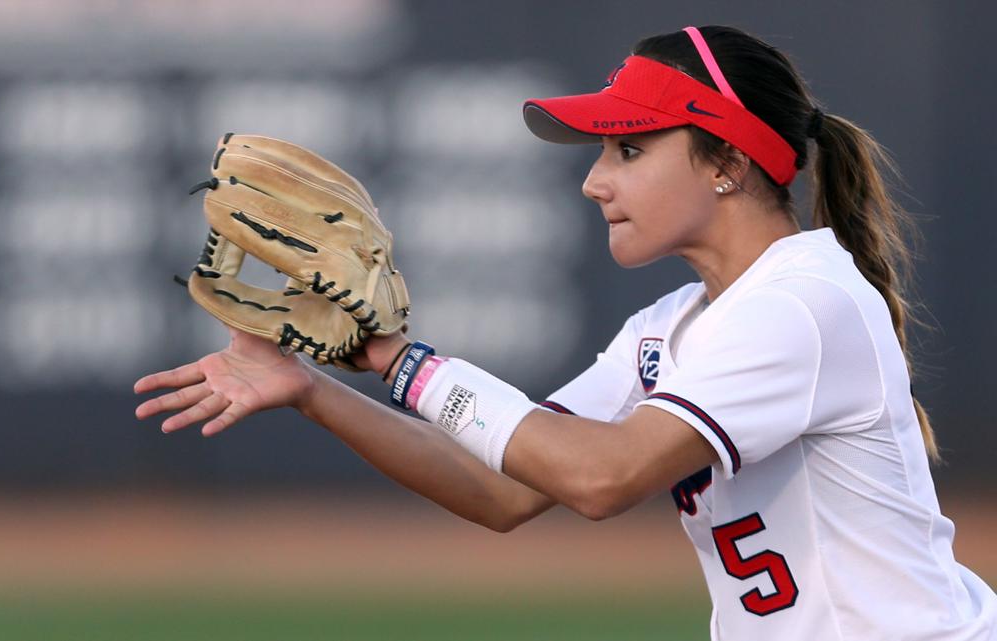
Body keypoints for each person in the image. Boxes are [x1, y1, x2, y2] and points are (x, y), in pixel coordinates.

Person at [134, 25, 996, 640]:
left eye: (628, 149)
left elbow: (599, 477)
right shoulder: (674, 325)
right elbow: (504, 489)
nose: (593, 181)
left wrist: (406, 360)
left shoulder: (799, 303)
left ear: (729, 162)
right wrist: (321, 386)